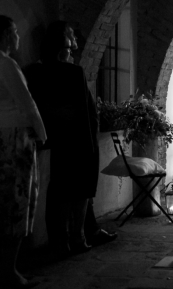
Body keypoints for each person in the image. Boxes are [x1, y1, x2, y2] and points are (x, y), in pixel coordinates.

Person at [23, 21, 101, 257]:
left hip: (55, 140)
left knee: (60, 191)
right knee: (80, 191)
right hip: (79, 140)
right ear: (63, 47)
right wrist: (90, 141)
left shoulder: (34, 72)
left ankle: (61, 241)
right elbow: (83, 112)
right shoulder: (73, 72)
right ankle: (78, 237)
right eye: (70, 45)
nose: (74, 48)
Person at [0, 15, 47, 288]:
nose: (18, 37)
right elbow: (27, 104)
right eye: (15, 32)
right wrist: (42, 135)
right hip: (14, 138)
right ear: (6, 35)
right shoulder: (7, 65)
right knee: (17, 202)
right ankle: (9, 270)